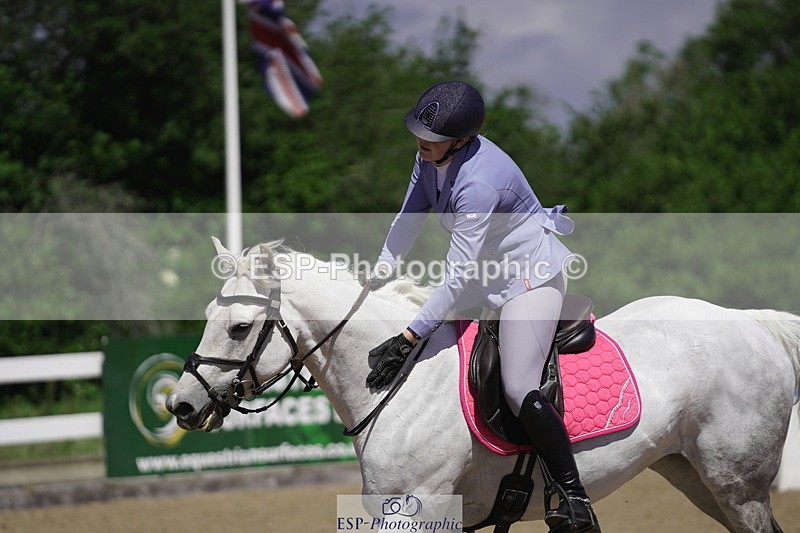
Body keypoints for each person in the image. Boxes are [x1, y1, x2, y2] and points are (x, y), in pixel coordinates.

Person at [364, 81, 600, 533]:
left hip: (527, 280)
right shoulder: (430, 157)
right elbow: (408, 218)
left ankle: (573, 496)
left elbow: (454, 279)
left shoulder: (478, 183)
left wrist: (409, 335)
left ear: (461, 139)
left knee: (517, 385)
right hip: (484, 276)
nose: (421, 142)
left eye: (431, 138)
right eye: (420, 133)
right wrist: (379, 271)